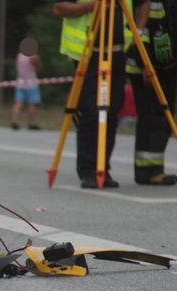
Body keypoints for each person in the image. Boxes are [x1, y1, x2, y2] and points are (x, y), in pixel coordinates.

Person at [53, 0, 138, 188]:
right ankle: (89, 170)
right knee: (92, 112)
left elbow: (143, 5)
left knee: (112, 113)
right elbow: (59, 9)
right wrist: (92, 6)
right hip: (88, 54)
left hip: (118, 53)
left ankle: (103, 168)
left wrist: (137, 32)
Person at [126, 0, 177, 185]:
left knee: (164, 117)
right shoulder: (147, 4)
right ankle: (149, 171)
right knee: (153, 118)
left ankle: (153, 168)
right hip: (147, 66)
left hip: (165, 67)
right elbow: (142, 29)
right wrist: (144, 64)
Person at [11, 49, 42, 130]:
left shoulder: (19, 56)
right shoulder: (33, 56)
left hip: (20, 82)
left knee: (18, 103)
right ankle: (32, 123)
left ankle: (15, 121)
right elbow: (38, 67)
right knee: (32, 104)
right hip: (31, 83)